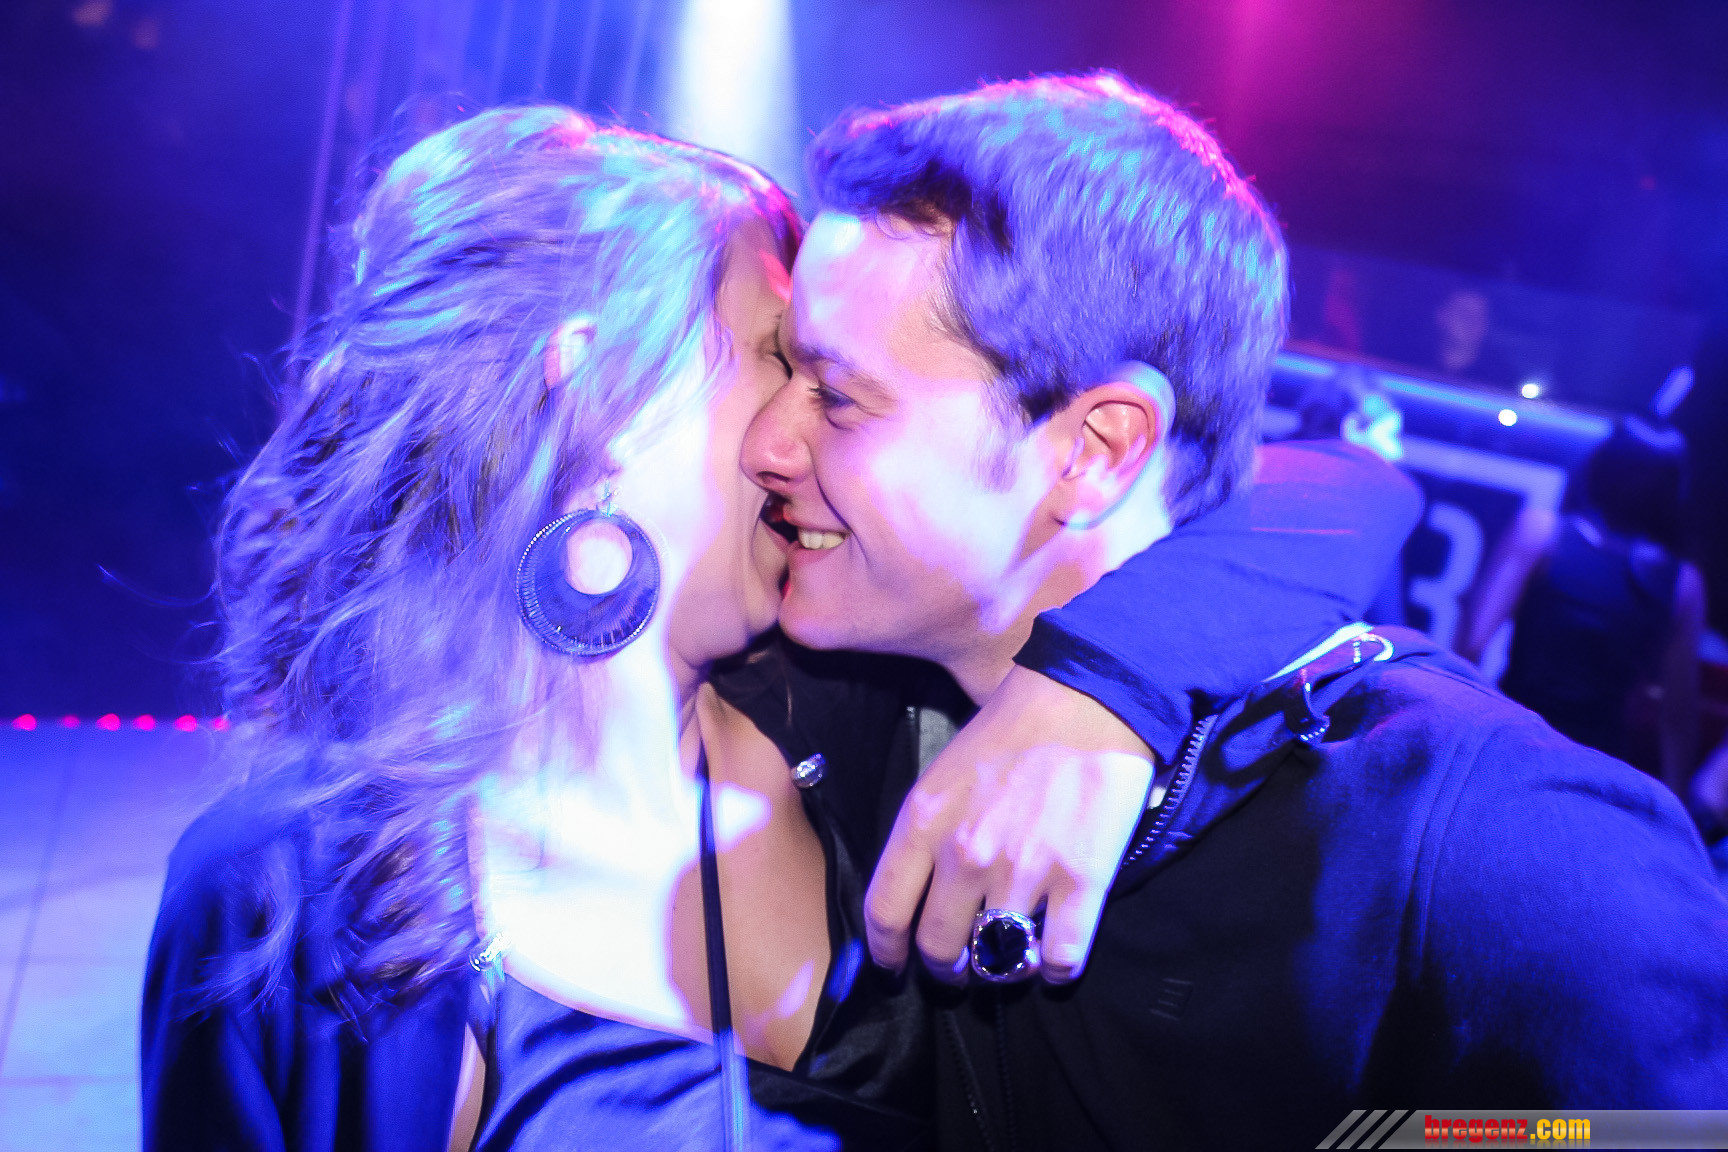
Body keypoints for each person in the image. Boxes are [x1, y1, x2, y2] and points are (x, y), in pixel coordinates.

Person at [141, 104, 1417, 1151]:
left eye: (834, 385)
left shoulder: (873, 716)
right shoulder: (292, 887)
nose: (794, 431)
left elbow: (1328, 488)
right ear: (597, 393)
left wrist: (1094, 691)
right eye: (778, 353)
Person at [742, 72, 1728, 1150]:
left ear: (1093, 450)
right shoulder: (863, 703)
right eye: (781, 371)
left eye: (838, 396)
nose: (767, 443)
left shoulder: (1499, 842)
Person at [1458, 415, 1706, 795]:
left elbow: (1471, 645)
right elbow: (1678, 714)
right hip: (1597, 770)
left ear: (1602, 465)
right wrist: (1678, 803)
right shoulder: (1682, 583)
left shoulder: (1540, 533)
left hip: (1512, 743)